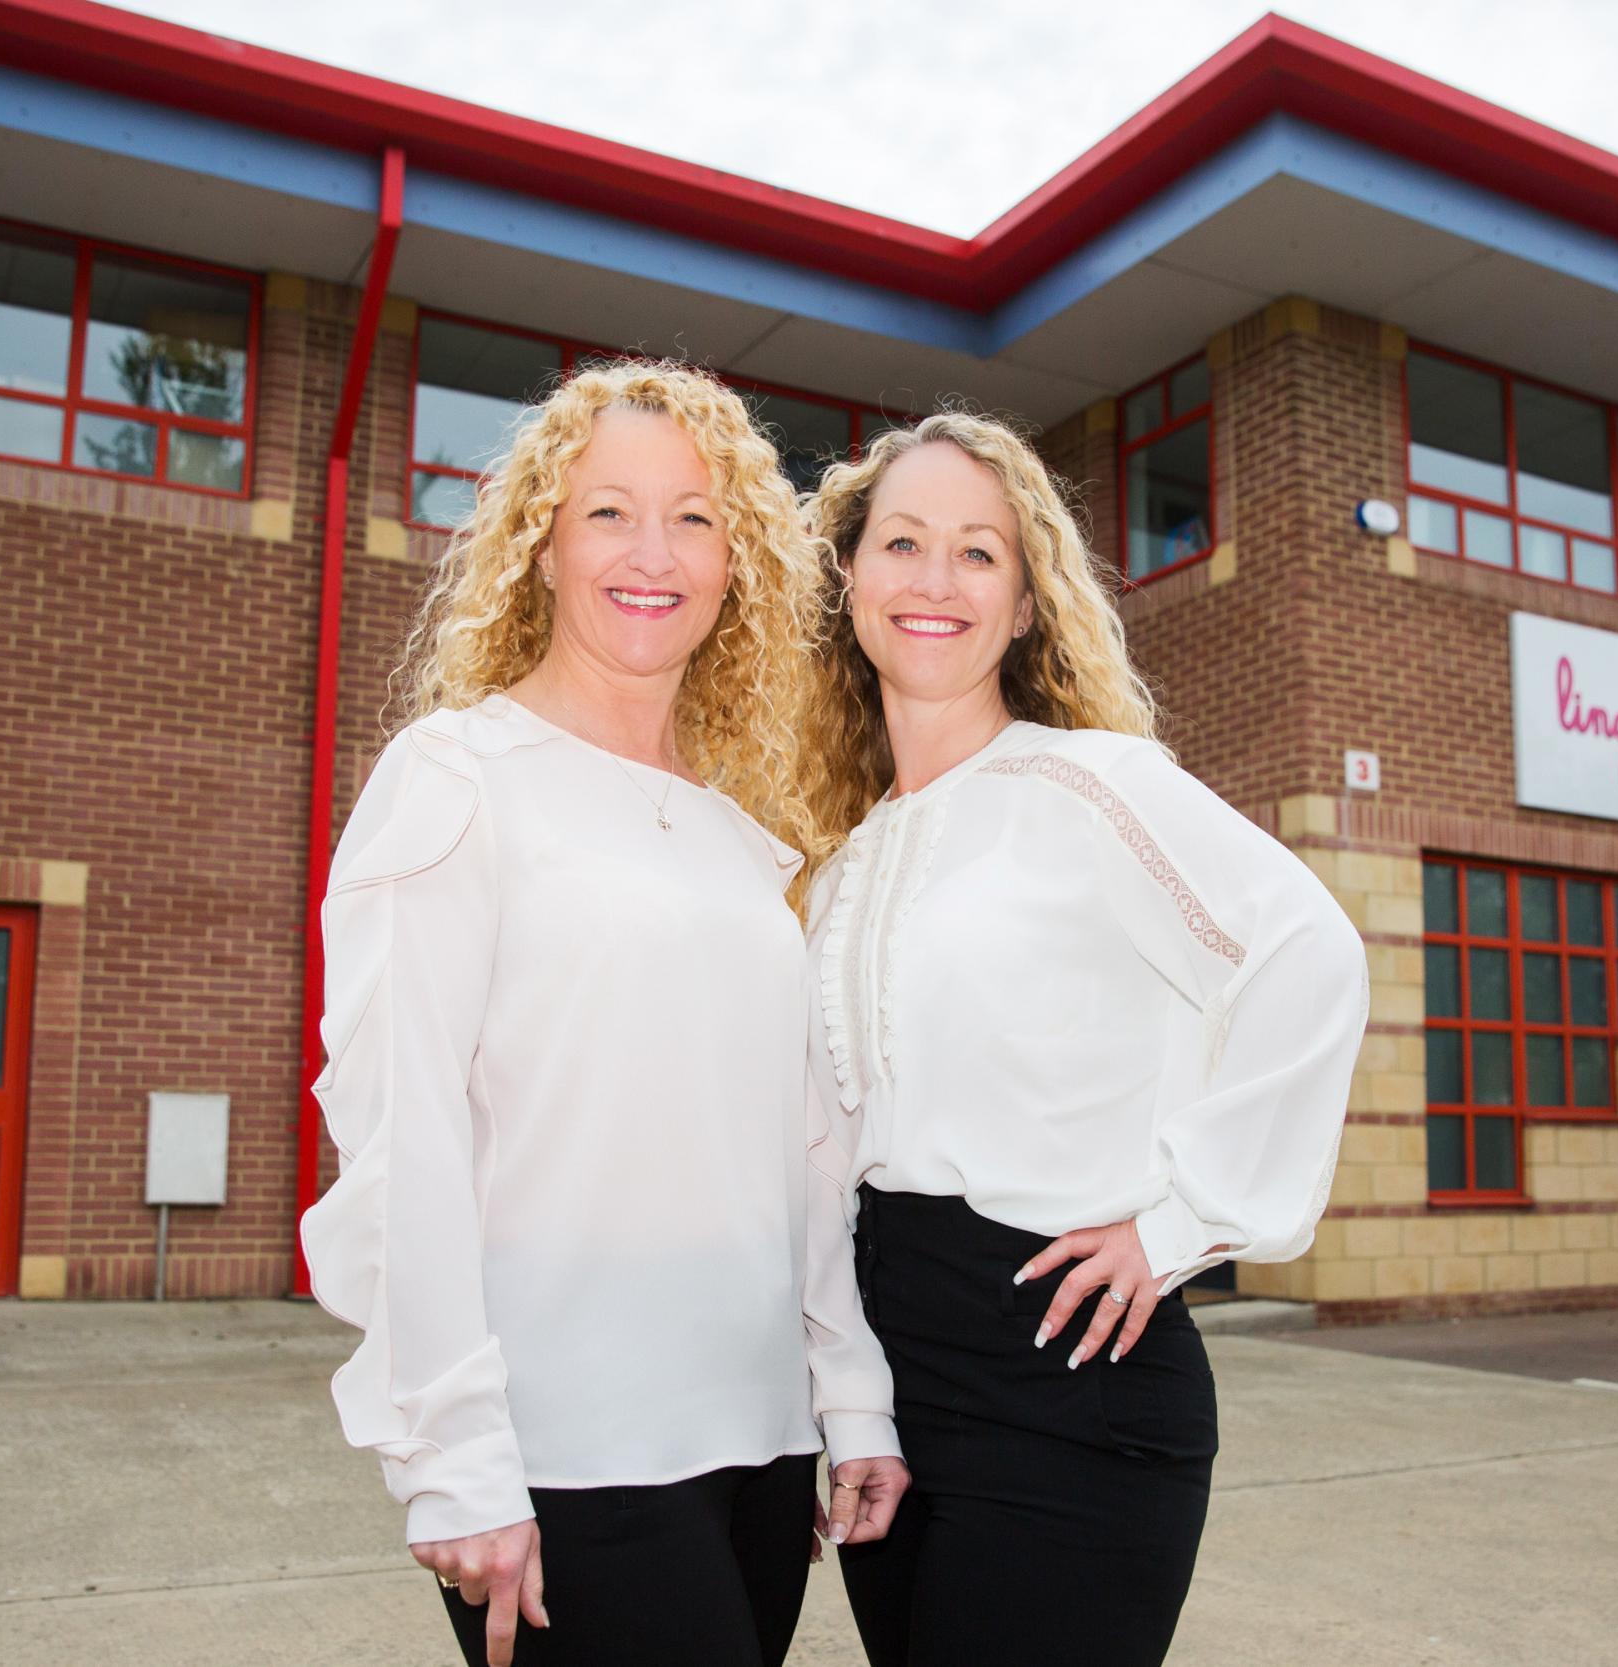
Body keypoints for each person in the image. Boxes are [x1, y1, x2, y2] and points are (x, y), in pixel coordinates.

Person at [302, 361, 910, 1667]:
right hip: (561, 1449)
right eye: (607, 512)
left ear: (740, 557)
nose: (655, 553)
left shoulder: (740, 835)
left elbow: (800, 1148)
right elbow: (400, 1133)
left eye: (696, 516)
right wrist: (451, 1453)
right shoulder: (457, 776)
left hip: (760, 1446)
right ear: (540, 546)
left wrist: (849, 1389)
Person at [799, 413, 1370, 1666]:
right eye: (901, 542)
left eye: (977, 552)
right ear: (848, 581)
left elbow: (1309, 957)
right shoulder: (839, 867)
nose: (934, 580)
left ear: (1024, 601)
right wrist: (849, 1400)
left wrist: (1180, 1223)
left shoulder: (1094, 787)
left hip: (1067, 1372)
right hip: (896, 1387)